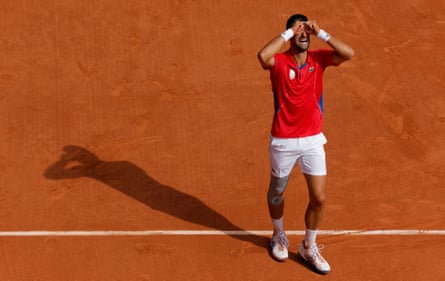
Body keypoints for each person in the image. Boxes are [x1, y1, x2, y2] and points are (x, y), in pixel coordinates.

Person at [257, 14, 354, 274]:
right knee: (276, 192)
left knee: (319, 198)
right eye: (298, 31)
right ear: (290, 35)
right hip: (283, 141)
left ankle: (308, 247)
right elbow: (262, 55)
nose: (303, 35)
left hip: (312, 140)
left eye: (305, 32)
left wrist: (321, 33)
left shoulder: (319, 59)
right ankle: (278, 235)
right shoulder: (278, 62)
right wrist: (289, 32)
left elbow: (349, 53)